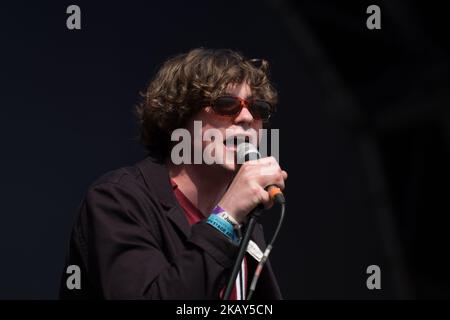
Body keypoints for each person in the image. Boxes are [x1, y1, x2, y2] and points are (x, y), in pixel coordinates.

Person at [59, 48, 288, 299]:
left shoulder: (246, 224)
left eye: (259, 109)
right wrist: (225, 219)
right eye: (226, 104)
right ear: (179, 116)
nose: (245, 117)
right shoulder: (117, 200)